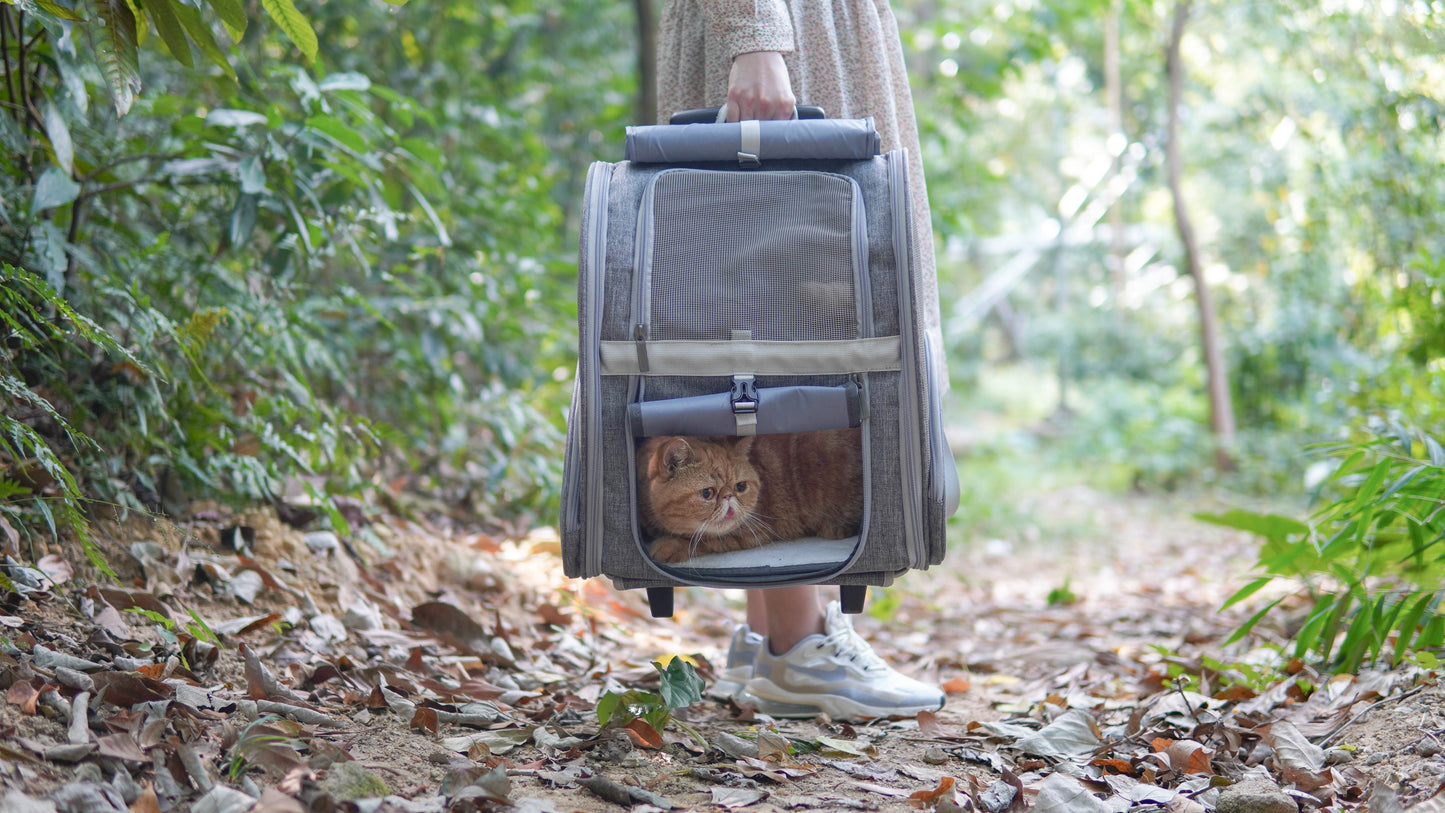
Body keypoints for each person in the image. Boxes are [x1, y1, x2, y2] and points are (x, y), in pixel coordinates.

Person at [655, 0, 946, 721]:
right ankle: (799, 643)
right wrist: (753, 40)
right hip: (789, 38)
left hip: (819, 35)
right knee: (786, 315)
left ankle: (765, 633)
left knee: (785, 317)